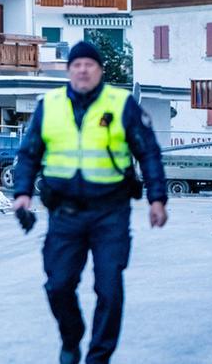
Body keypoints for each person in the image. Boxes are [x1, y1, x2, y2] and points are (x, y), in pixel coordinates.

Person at [12, 41, 167, 364]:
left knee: (109, 290)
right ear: (69, 70)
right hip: (64, 214)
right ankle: (72, 338)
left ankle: (98, 357)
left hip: (110, 212)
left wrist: (157, 199)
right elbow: (29, 154)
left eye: (89, 65)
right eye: (77, 65)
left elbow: (148, 152)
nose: (82, 70)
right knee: (58, 285)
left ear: (100, 70)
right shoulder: (49, 105)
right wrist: (23, 194)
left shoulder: (121, 104)